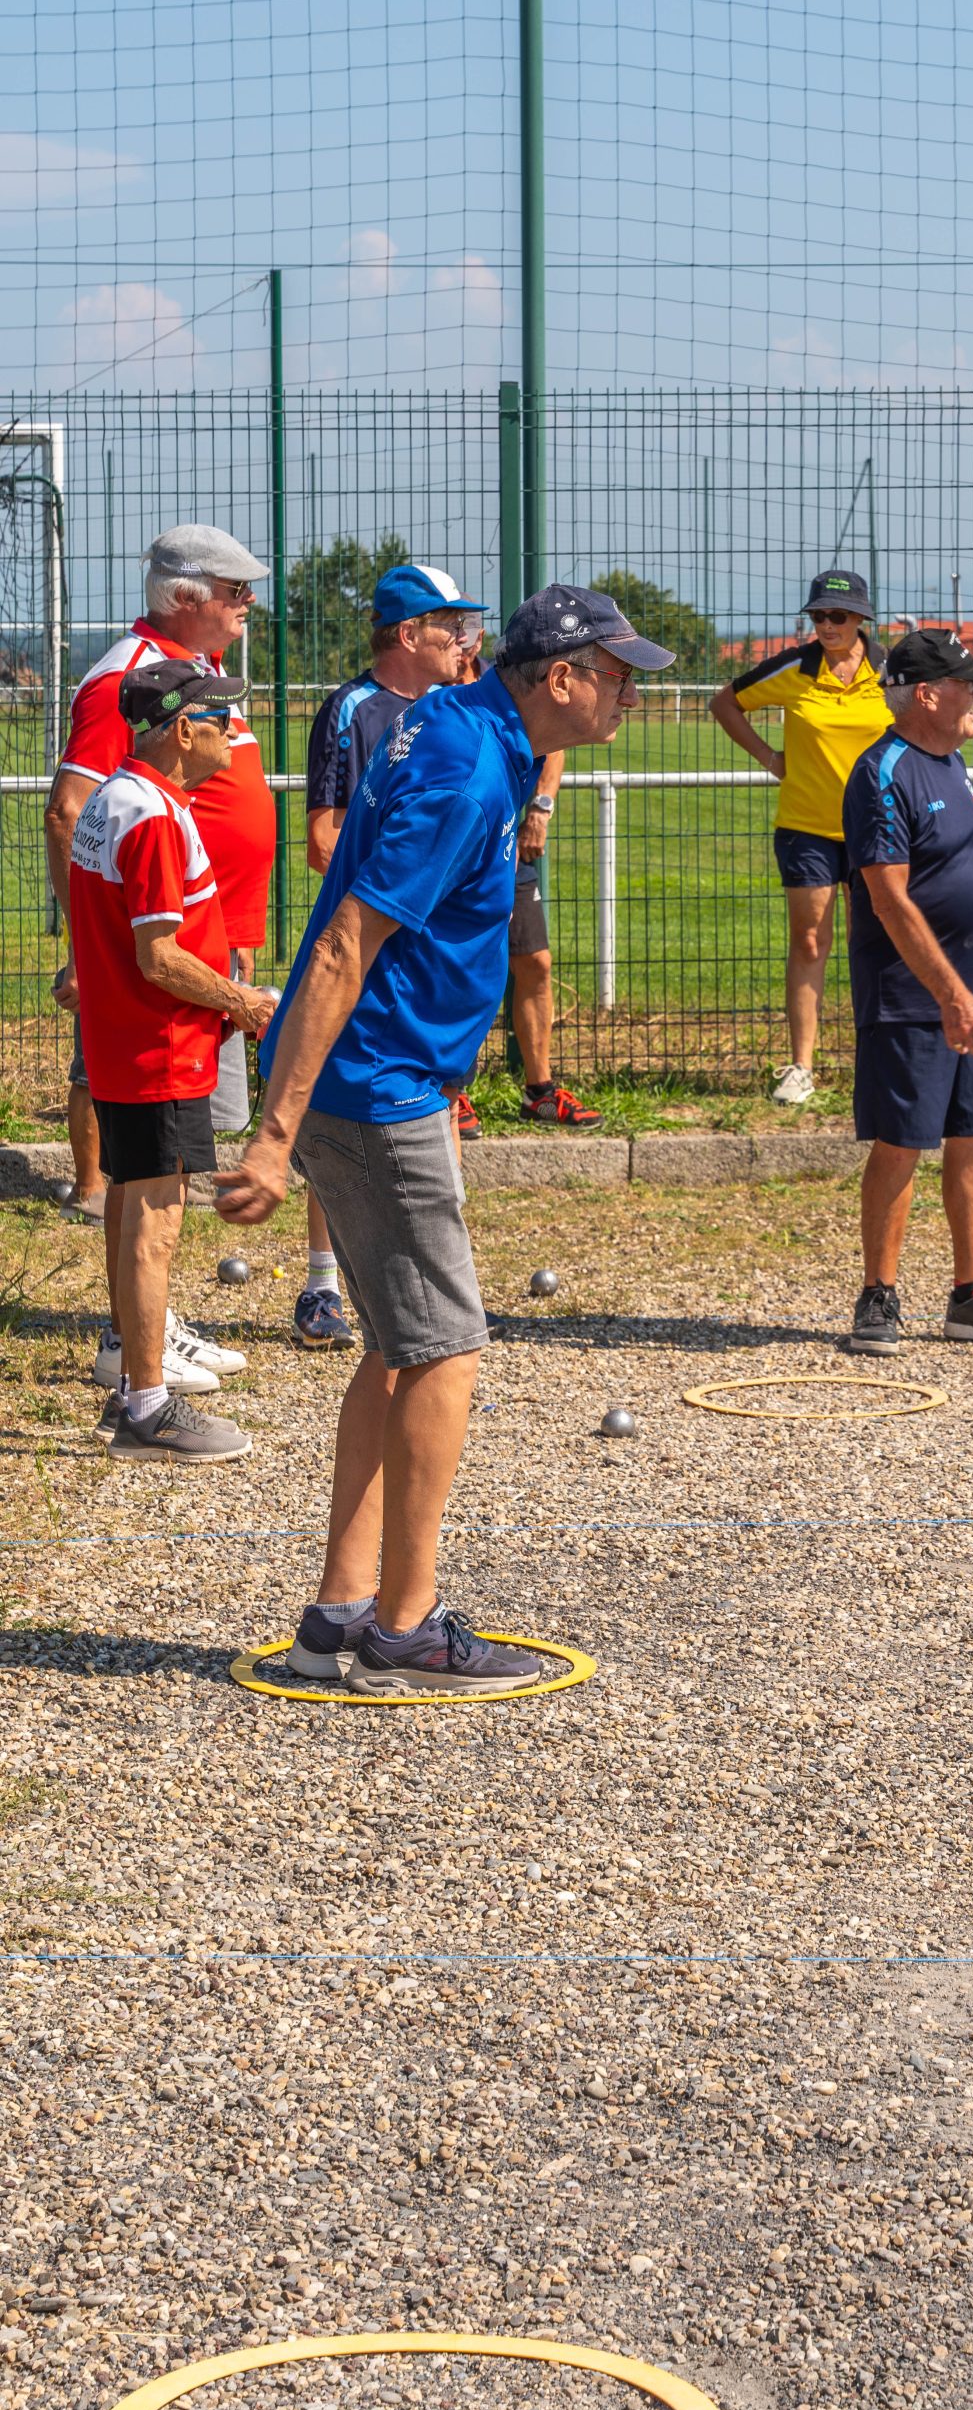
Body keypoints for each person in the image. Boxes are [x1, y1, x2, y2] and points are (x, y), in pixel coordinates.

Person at [219, 585, 674, 1698]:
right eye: (616, 672)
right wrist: (273, 1137)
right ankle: (406, 1629)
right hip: (376, 1089)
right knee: (447, 1349)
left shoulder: (470, 728)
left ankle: (339, 1613)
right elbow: (345, 943)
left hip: (374, 1078)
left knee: (395, 1344)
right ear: (559, 675)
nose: (631, 691)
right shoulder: (471, 765)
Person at [45, 522, 274, 1396]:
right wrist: (90, 948)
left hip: (187, 947)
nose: (250, 605)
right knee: (157, 1174)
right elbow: (71, 811)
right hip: (157, 965)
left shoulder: (188, 679)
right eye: (235, 590)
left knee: (164, 1165)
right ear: (185, 597)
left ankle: (148, 1327)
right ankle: (136, 1350)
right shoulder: (129, 683)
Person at [841, 627, 973, 1355]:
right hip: (911, 994)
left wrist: (971, 995)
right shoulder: (882, 772)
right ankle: (878, 1296)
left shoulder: (951, 761)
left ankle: (972, 1296)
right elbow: (890, 900)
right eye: (967, 685)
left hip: (972, 989)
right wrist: (948, 994)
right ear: (925, 695)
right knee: (902, 1142)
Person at [299, 562, 489, 1347]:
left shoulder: (457, 709)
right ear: (407, 634)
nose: (465, 639)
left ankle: (432, 1285)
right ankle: (321, 1287)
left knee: (433, 1102)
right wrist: (411, 881)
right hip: (369, 942)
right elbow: (321, 839)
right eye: (450, 626)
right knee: (340, 1104)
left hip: (430, 948)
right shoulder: (352, 709)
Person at [710, 567, 891, 1105]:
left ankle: (876, 1059)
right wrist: (770, 758)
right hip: (805, 828)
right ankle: (801, 1067)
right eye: (818, 616)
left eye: (837, 616)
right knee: (810, 941)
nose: (827, 625)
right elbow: (725, 703)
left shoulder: (891, 669)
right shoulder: (795, 668)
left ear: (861, 618)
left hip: (877, 827)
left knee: (873, 944)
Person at [443, 640, 601, 1142]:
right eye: (449, 624)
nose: (462, 637)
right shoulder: (434, 691)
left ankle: (540, 1089)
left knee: (535, 961)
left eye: (468, 625)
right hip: (461, 845)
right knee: (463, 962)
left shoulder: (508, 682)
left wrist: (542, 807)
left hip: (511, 842)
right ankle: (453, 1086)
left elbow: (552, 744)